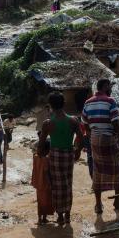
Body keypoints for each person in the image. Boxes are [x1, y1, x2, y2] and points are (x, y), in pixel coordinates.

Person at [82, 79, 119, 214]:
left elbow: (84, 123)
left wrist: (91, 135)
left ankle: (98, 204)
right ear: (105, 87)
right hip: (108, 138)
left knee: (98, 170)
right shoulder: (110, 101)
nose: (111, 89)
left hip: (94, 140)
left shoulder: (87, 102)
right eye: (110, 86)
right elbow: (115, 122)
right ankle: (117, 201)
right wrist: (118, 135)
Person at [38, 92, 83, 226]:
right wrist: (78, 150)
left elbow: (41, 143)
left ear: (50, 105)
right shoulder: (73, 120)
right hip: (68, 154)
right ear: (63, 104)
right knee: (68, 184)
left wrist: (40, 154)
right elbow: (81, 137)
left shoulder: (48, 123)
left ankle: (60, 216)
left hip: (55, 156)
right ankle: (68, 214)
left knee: (57, 186)